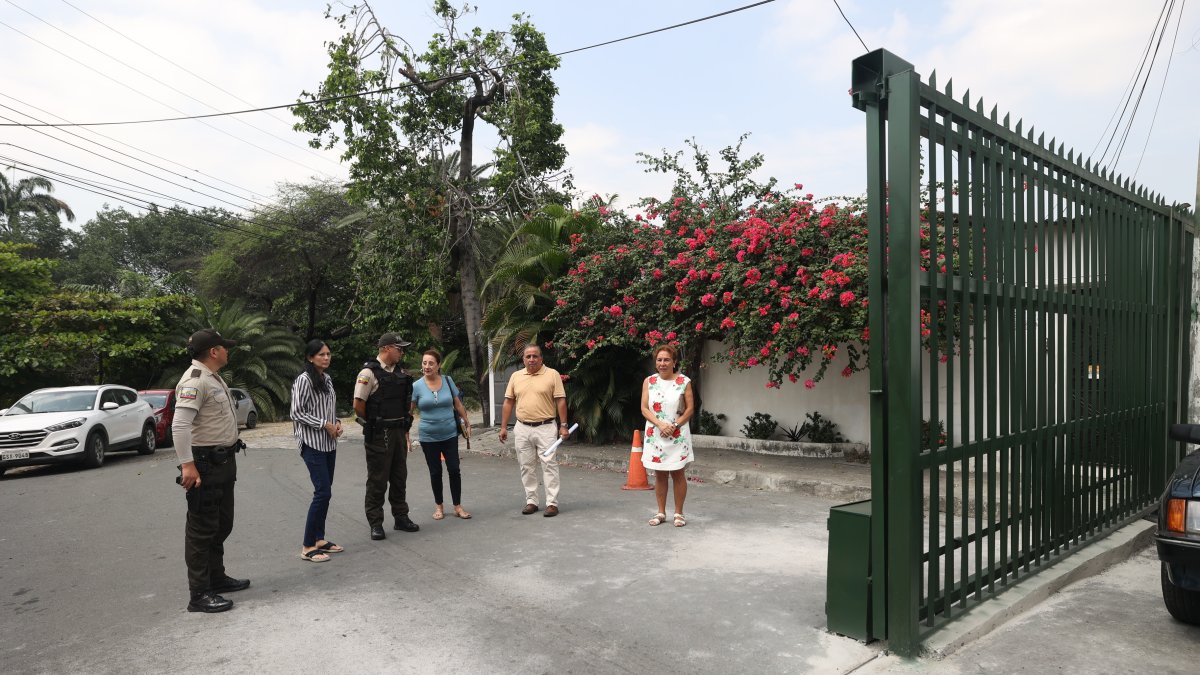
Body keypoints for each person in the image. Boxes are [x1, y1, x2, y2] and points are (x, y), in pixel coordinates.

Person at [171, 328, 249, 613]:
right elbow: (179, 425)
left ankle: (217, 578)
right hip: (204, 463)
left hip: (224, 461)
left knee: (221, 524)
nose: (228, 350)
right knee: (202, 530)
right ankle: (199, 594)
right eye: (224, 347)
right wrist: (188, 464)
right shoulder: (194, 381)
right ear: (214, 351)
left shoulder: (212, 378)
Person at [353, 332, 419, 540]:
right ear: (386, 348)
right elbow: (358, 405)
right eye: (399, 348)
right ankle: (376, 522)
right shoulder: (368, 373)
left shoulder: (401, 373)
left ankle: (401, 517)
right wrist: (374, 423)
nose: (402, 352)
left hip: (398, 431)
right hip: (379, 433)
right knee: (378, 479)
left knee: (399, 476)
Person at [498, 344, 569, 517]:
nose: (531, 359)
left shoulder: (552, 375)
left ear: (541, 358)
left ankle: (552, 503)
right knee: (526, 466)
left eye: (535, 356)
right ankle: (532, 501)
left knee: (549, 466)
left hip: (546, 428)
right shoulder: (516, 376)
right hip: (522, 428)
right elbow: (508, 402)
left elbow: (560, 400)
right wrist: (503, 427)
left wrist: (564, 425)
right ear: (523, 359)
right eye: (528, 356)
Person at [291, 339, 345, 563]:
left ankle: (319, 538)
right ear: (310, 357)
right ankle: (307, 546)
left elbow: (328, 408)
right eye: (321, 354)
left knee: (326, 491)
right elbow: (296, 412)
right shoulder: (303, 381)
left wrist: (337, 423)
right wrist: (325, 424)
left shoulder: (327, 379)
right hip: (312, 443)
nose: (326, 357)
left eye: (328, 354)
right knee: (322, 492)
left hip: (329, 444)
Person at [410, 349, 472, 521]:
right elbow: (410, 411)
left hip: (450, 434)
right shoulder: (416, 386)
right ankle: (439, 506)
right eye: (424, 363)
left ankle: (457, 506)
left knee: (454, 469)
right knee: (435, 472)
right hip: (428, 437)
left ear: (438, 365)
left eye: (431, 363)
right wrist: (406, 433)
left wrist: (466, 420)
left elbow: (457, 403)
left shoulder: (447, 380)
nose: (427, 366)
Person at [640, 344, 695, 528]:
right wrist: (660, 424)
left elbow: (689, 409)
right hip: (656, 432)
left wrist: (674, 425)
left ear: (674, 362)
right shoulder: (649, 381)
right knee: (660, 474)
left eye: (666, 360)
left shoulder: (684, 381)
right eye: (659, 360)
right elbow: (644, 408)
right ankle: (661, 512)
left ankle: (679, 513)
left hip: (678, 433)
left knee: (678, 473)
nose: (662, 363)